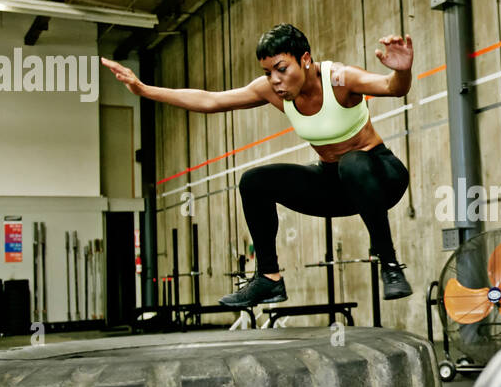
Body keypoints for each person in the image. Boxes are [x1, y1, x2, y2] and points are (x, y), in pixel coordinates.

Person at [101, 23, 414, 307]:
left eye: (281, 69)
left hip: (380, 175)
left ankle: (389, 264)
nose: (275, 81)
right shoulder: (274, 91)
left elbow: (393, 87)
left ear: (305, 59)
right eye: (268, 72)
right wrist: (144, 90)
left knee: (353, 162)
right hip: (336, 185)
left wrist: (401, 70)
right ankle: (269, 278)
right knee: (254, 181)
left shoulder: (340, 79)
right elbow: (211, 101)